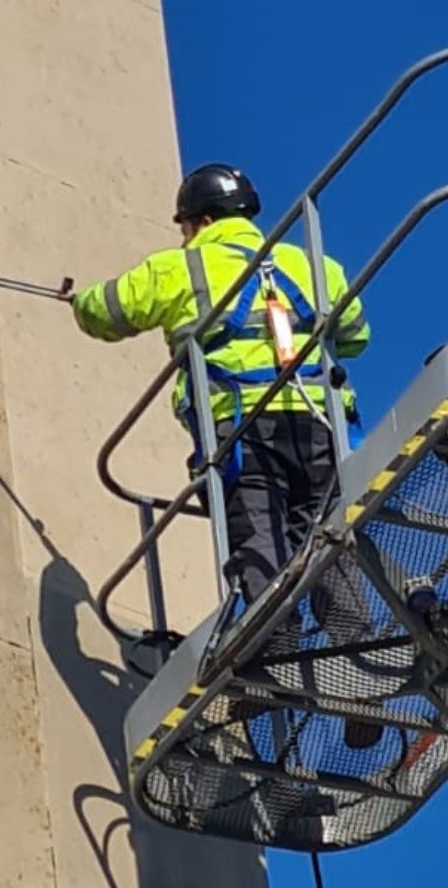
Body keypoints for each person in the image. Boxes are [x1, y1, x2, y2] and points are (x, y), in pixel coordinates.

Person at [71, 164, 372, 604]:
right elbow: (356, 336)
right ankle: (355, 638)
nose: (185, 238)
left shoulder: (179, 266)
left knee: (259, 541)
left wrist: (78, 300)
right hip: (320, 424)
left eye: (187, 228)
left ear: (204, 221)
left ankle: (272, 647)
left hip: (242, 428)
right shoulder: (314, 264)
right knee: (329, 538)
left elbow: (106, 312)